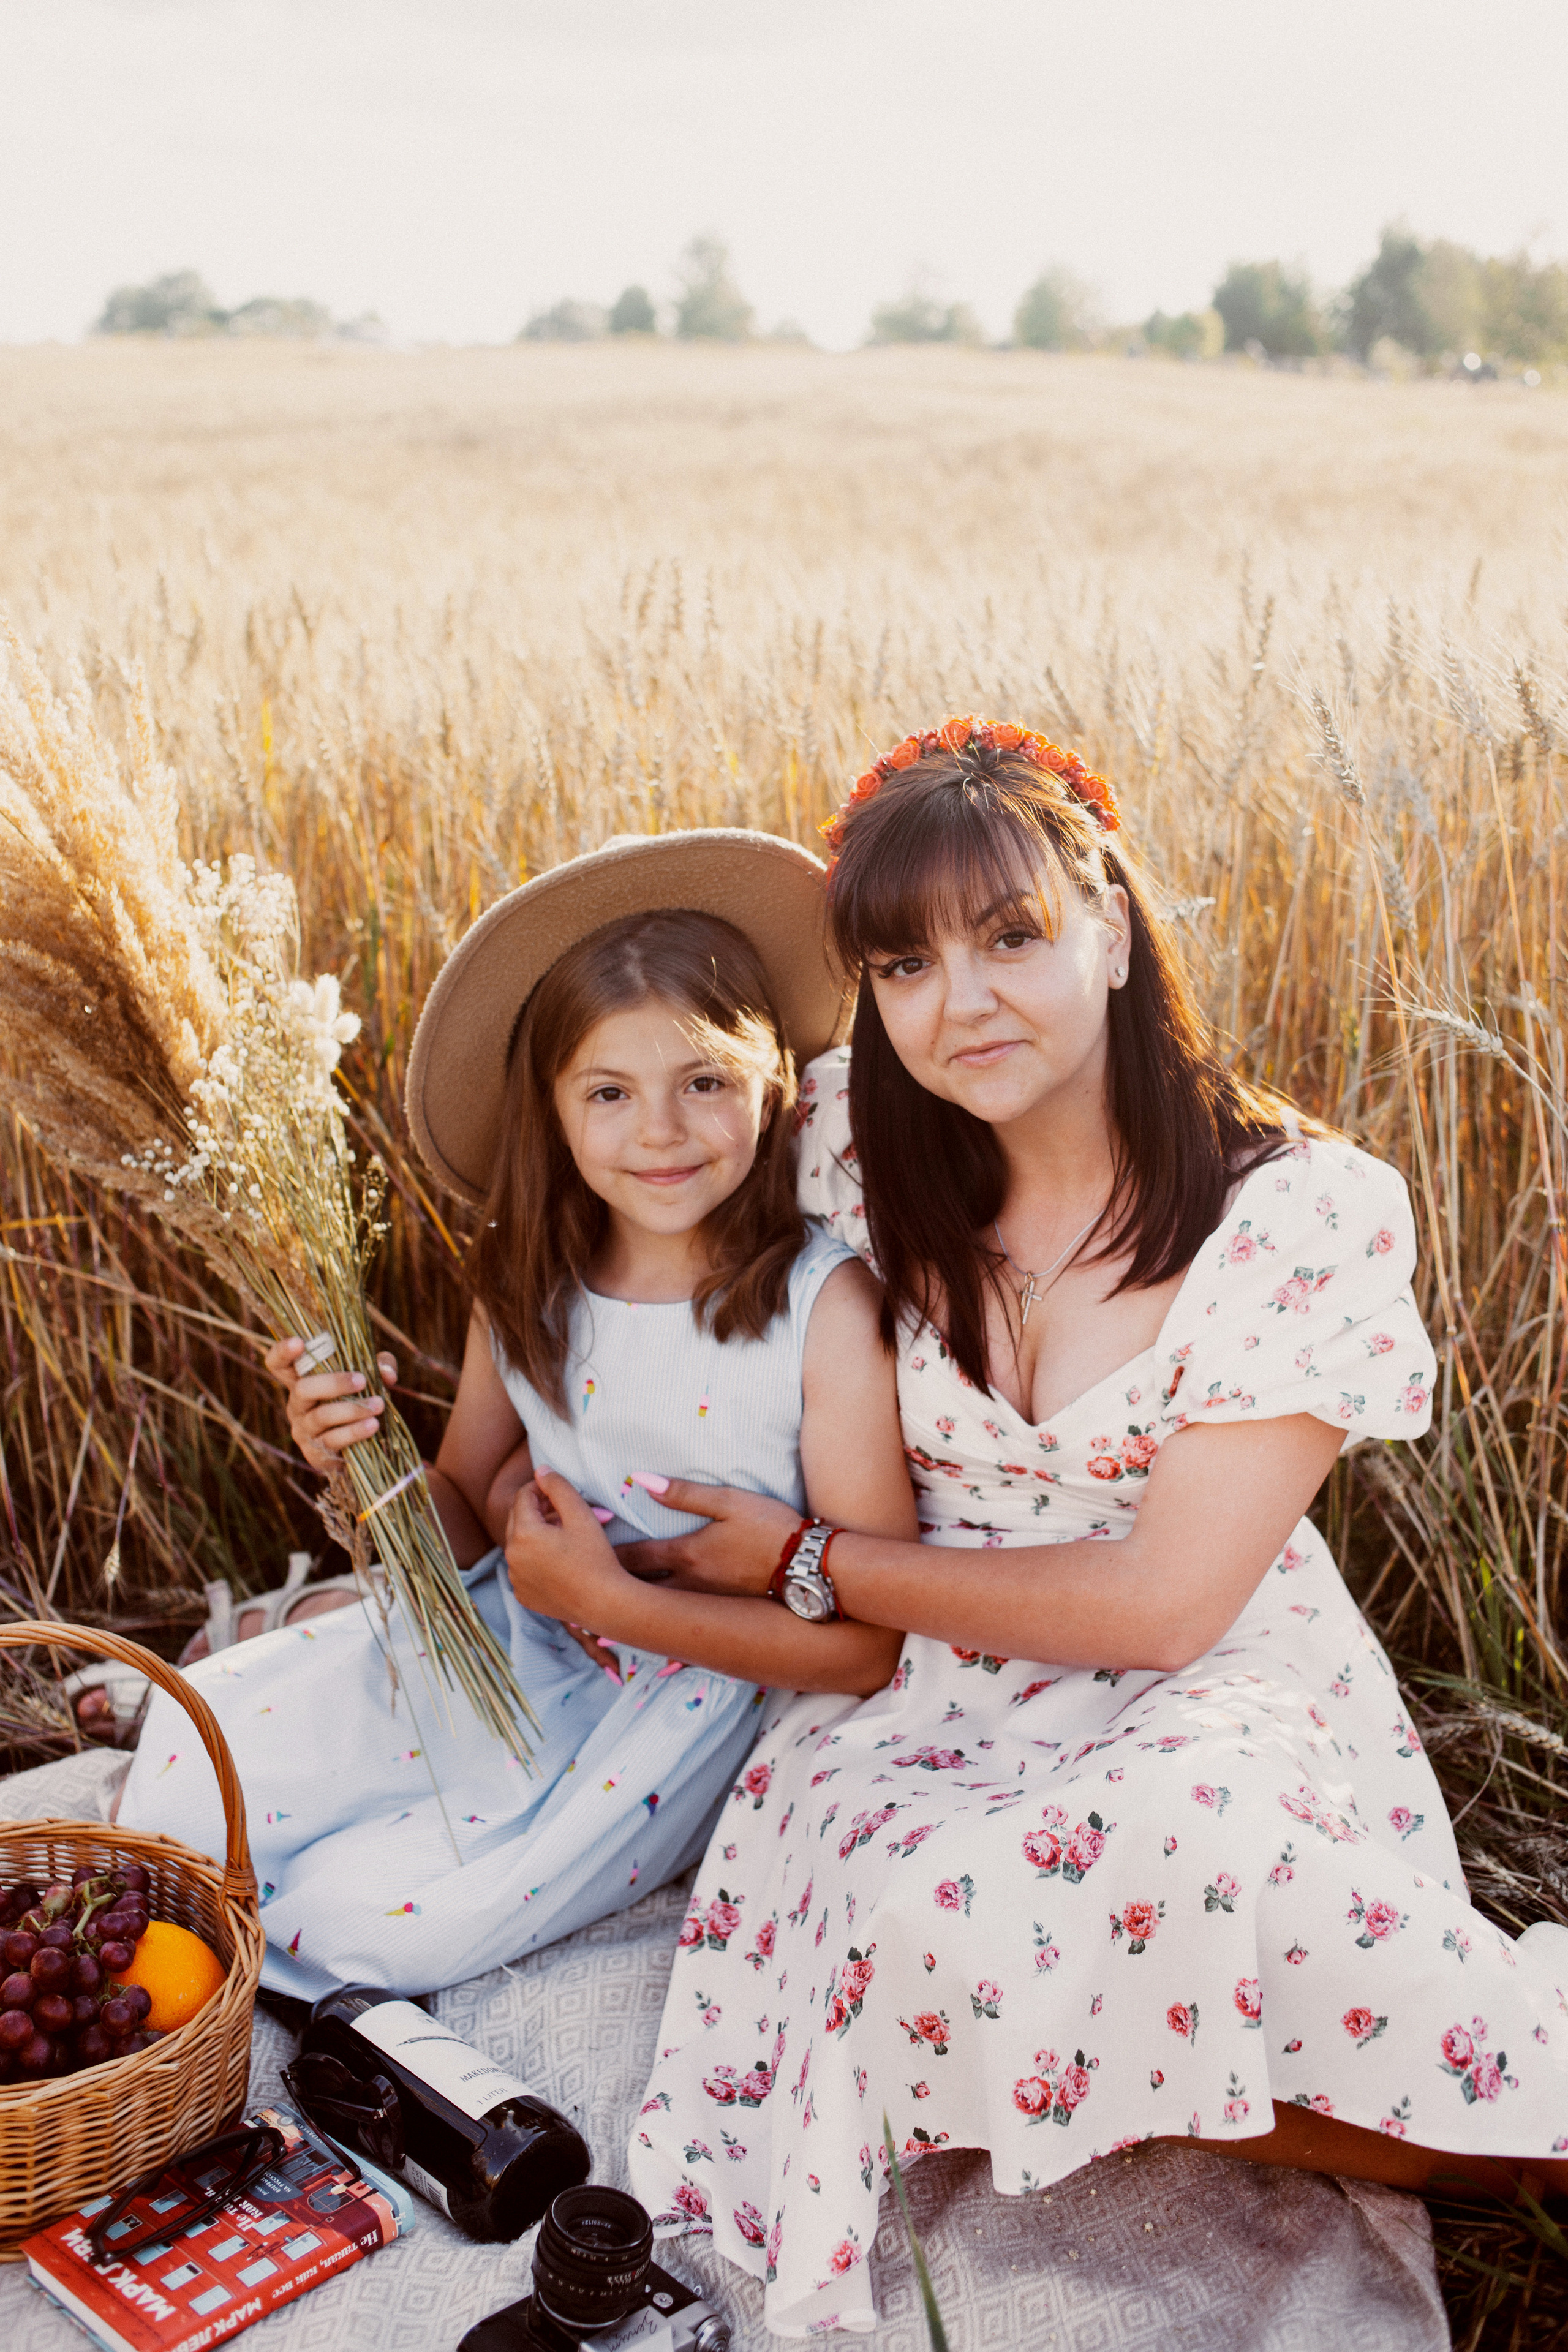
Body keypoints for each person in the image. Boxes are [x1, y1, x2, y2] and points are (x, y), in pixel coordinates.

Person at [501, 723, 1568, 2337]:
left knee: (1180, 1848)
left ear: (1118, 929)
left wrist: (812, 1563)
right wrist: (429, 1447)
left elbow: (1162, 1606)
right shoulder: (853, 1143)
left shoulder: (1296, 1212)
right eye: (905, 963)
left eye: (1012, 937)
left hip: (1208, 1672)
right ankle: (1165, 2081)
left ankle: (1507, 2152)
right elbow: (616, 1165)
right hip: (932, 1690)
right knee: (903, 1913)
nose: (963, 1000)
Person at [116, 832, 916, 1999]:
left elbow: (867, 1643)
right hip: (511, 1641)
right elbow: (461, 1518)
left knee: (380, 1928)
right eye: (610, 1092)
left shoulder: (822, 1310)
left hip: (684, 1696)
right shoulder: (531, 1280)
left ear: (774, 1088)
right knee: (193, 1765)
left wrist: (611, 1599)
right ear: (552, 1109)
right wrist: (357, 1461)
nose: (660, 1130)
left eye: (704, 1083)